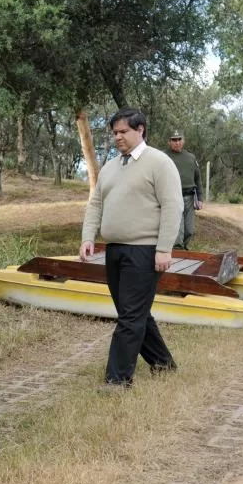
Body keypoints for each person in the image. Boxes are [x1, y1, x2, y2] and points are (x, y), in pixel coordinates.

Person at [80, 108, 182, 389]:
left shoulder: (159, 163)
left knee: (130, 316)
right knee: (134, 313)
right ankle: (163, 363)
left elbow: (173, 206)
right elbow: (96, 203)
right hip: (115, 251)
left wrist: (164, 249)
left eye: (123, 131)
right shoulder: (111, 167)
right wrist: (88, 237)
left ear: (140, 130)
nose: (117, 137)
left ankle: (118, 379)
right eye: (114, 133)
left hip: (145, 251)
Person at [164, 130, 203, 250]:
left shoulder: (191, 157)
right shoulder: (162, 156)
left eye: (179, 139)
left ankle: (184, 249)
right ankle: (177, 250)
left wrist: (200, 198)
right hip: (172, 197)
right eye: (174, 140)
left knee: (189, 229)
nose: (177, 143)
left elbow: (198, 178)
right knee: (177, 229)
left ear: (183, 140)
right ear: (169, 142)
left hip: (189, 197)